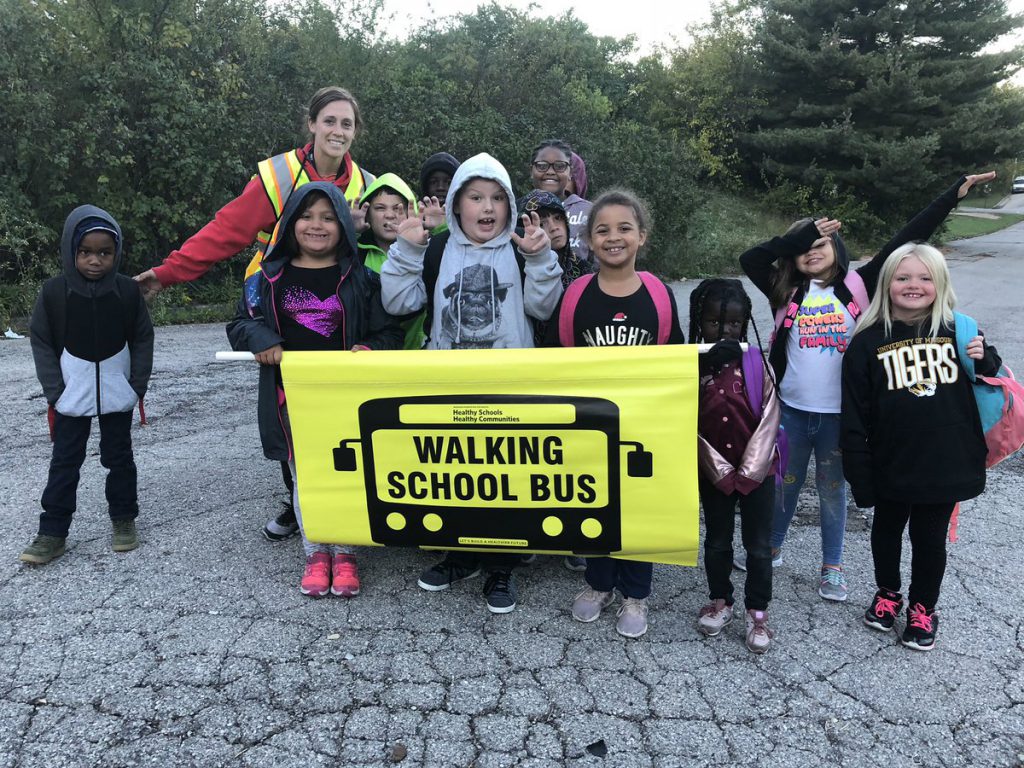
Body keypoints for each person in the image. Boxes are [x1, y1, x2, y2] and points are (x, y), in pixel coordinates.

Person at [738, 171, 995, 602]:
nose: (810, 253)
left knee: (832, 492)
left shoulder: (859, 283)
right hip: (793, 412)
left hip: (842, 415)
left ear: (836, 247)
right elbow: (751, 258)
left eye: (819, 244)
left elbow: (908, 237)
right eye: (802, 249)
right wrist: (800, 235)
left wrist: (951, 196)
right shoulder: (784, 290)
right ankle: (773, 546)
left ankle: (833, 567)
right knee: (785, 484)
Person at [134, 86, 375, 545]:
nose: (337, 131)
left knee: (345, 416)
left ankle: (348, 507)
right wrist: (166, 274)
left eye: (346, 123)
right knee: (291, 413)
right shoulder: (279, 175)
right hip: (278, 304)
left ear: (355, 131)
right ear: (312, 124)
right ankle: (297, 499)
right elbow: (225, 231)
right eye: (329, 121)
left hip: (342, 307)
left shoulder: (365, 182)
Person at [381, 152, 563, 613]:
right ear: (457, 203)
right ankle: (461, 554)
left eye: (498, 198)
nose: (487, 208)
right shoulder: (437, 249)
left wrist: (541, 259)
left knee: (505, 476)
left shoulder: (523, 249)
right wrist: (405, 250)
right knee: (456, 474)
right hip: (448, 387)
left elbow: (544, 309)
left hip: (512, 388)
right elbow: (400, 303)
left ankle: (503, 565)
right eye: (476, 197)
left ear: (511, 204)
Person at [226, 183, 402, 598]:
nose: (317, 225)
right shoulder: (265, 278)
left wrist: (370, 348)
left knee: (348, 473)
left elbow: (389, 332)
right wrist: (262, 338)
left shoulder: (363, 279)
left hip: (347, 401)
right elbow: (239, 324)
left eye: (327, 216)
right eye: (307, 216)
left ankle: (345, 551)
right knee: (306, 478)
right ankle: (314, 551)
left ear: (342, 224)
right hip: (293, 399)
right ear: (290, 223)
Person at [842, 243, 1000, 651]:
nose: (914, 285)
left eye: (925, 277)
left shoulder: (957, 330)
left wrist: (986, 359)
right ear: (887, 284)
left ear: (941, 283)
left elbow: (989, 373)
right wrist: (858, 470)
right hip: (891, 460)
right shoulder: (866, 341)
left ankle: (923, 606)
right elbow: (855, 412)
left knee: (929, 538)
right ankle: (888, 593)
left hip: (946, 460)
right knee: (888, 529)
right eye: (903, 277)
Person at [545, 189, 684, 639]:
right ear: (588, 239)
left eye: (624, 228)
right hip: (591, 425)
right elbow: (560, 358)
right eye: (602, 230)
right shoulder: (576, 294)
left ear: (642, 236)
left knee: (639, 507)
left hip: (644, 425)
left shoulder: (659, 294)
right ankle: (598, 583)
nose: (613, 237)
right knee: (595, 503)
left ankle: (636, 593)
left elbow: (675, 362)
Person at [22, 206, 154, 564]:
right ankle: (52, 532)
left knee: (119, 459)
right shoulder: (53, 292)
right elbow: (41, 341)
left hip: (117, 394)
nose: (95, 260)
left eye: (104, 253)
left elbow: (142, 338)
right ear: (71, 251)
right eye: (86, 252)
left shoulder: (127, 292)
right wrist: (55, 391)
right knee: (65, 462)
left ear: (116, 253)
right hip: (70, 397)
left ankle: (124, 521)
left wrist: (135, 386)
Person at [688, 279, 780, 653]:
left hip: (757, 473)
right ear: (699, 321)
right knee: (717, 540)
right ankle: (720, 599)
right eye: (713, 323)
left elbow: (772, 415)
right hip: (715, 473)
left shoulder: (758, 362)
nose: (723, 331)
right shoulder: (692, 367)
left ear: (744, 324)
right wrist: (721, 470)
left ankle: (757, 610)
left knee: (758, 546)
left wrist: (749, 470)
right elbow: (685, 420)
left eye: (732, 325)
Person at [356, 172, 427, 349]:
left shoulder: (427, 252)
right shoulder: (355, 254)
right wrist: (351, 232)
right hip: (370, 355)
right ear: (367, 215)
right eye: (380, 208)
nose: (390, 215)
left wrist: (440, 228)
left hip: (419, 356)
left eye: (398, 208)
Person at [528, 140, 592, 266]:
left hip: (581, 284)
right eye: (542, 165)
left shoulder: (589, 211)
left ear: (570, 173)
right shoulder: (518, 212)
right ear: (531, 171)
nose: (550, 171)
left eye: (560, 166)